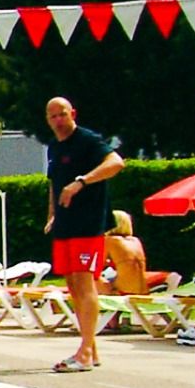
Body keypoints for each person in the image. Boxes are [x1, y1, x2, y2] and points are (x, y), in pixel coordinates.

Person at [42, 97, 125, 372]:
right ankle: (91, 347)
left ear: (73, 114)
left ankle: (85, 352)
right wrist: (52, 214)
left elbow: (116, 163)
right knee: (73, 286)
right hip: (65, 224)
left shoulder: (88, 141)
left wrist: (81, 182)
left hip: (88, 223)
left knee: (84, 280)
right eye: (53, 116)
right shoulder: (54, 147)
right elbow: (54, 184)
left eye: (62, 114)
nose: (58, 120)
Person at [99, 210, 152, 295]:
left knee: (91, 277)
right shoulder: (136, 241)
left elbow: (96, 268)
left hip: (124, 291)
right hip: (143, 291)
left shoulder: (109, 240)